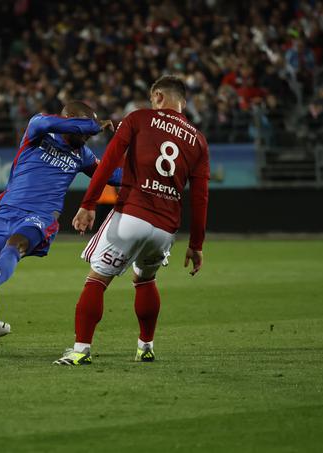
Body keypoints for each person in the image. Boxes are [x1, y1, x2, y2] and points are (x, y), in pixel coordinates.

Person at [53, 75, 210, 365]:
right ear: (183, 102)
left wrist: (88, 203)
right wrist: (196, 244)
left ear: (159, 96)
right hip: (165, 228)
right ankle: (145, 346)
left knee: (97, 280)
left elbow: (110, 161)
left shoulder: (138, 119)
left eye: (153, 99)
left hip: (132, 215)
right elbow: (200, 197)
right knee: (145, 279)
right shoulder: (198, 140)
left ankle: (80, 351)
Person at [0, 101, 121, 350]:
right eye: (80, 129)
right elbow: (51, 122)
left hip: (41, 216)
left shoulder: (83, 155)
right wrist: (93, 125)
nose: (86, 138)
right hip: (6, 212)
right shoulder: (38, 128)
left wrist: (150, 174)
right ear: (67, 120)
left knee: (14, 248)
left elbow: (112, 175)